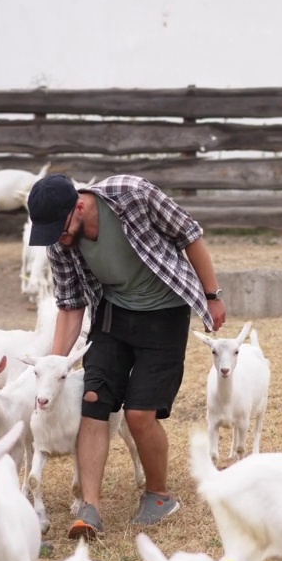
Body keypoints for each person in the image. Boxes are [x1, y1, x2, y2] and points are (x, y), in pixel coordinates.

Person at [26, 173, 227, 540]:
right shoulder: (61, 243)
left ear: (81, 206)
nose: (59, 239)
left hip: (164, 315)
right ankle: (89, 508)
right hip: (113, 315)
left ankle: (159, 495)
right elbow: (71, 306)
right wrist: (52, 370)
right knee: (94, 399)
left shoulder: (131, 195)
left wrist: (212, 296)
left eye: (61, 228)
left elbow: (190, 234)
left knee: (138, 414)